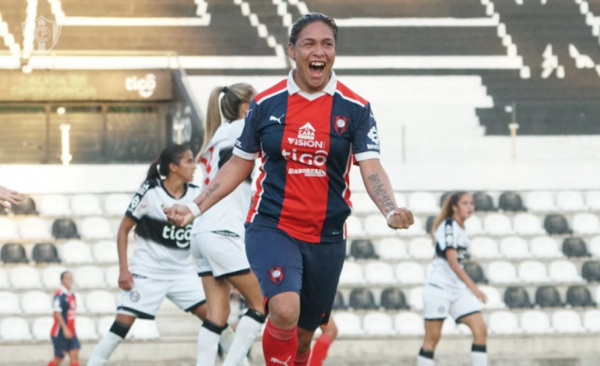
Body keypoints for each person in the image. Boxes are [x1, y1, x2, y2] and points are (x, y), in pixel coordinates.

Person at [164, 12, 414, 366]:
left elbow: (371, 166)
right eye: (309, 43)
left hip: (327, 235)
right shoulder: (266, 104)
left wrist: (390, 208)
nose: (320, 51)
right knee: (283, 310)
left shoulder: (355, 108)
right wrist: (194, 207)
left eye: (327, 44)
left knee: (304, 336)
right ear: (291, 51)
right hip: (272, 226)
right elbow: (238, 163)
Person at [86, 145, 237, 366]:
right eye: (189, 161)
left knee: (218, 320)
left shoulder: (196, 194)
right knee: (120, 328)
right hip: (147, 272)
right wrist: (124, 270)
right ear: (173, 167)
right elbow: (123, 229)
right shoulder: (151, 191)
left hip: (182, 273)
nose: (194, 166)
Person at [193, 84, 266, 366]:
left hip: (200, 230)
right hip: (222, 228)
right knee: (260, 303)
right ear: (247, 108)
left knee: (217, 315)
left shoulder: (215, 136)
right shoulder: (243, 128)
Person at [418, 192, 488, 366]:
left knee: (480, 329)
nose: (470, 207)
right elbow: (453, 262)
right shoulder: (449, 225)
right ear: (454, 207)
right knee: (432, 339)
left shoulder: (464, 229)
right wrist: (474, 288)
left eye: (471, 203)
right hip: (439, 289)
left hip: (457, 290)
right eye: (465, 203)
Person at [48, 271, 80, 366]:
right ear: (62, 280)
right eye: (67, 278)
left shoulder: (71, 295)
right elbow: (57, 312)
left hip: (71, 331)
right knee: (58, 359)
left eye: (71, 278)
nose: (69, 280)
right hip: (60, 332)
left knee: (75, 355)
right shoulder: (59, 295)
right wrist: (65, 329)